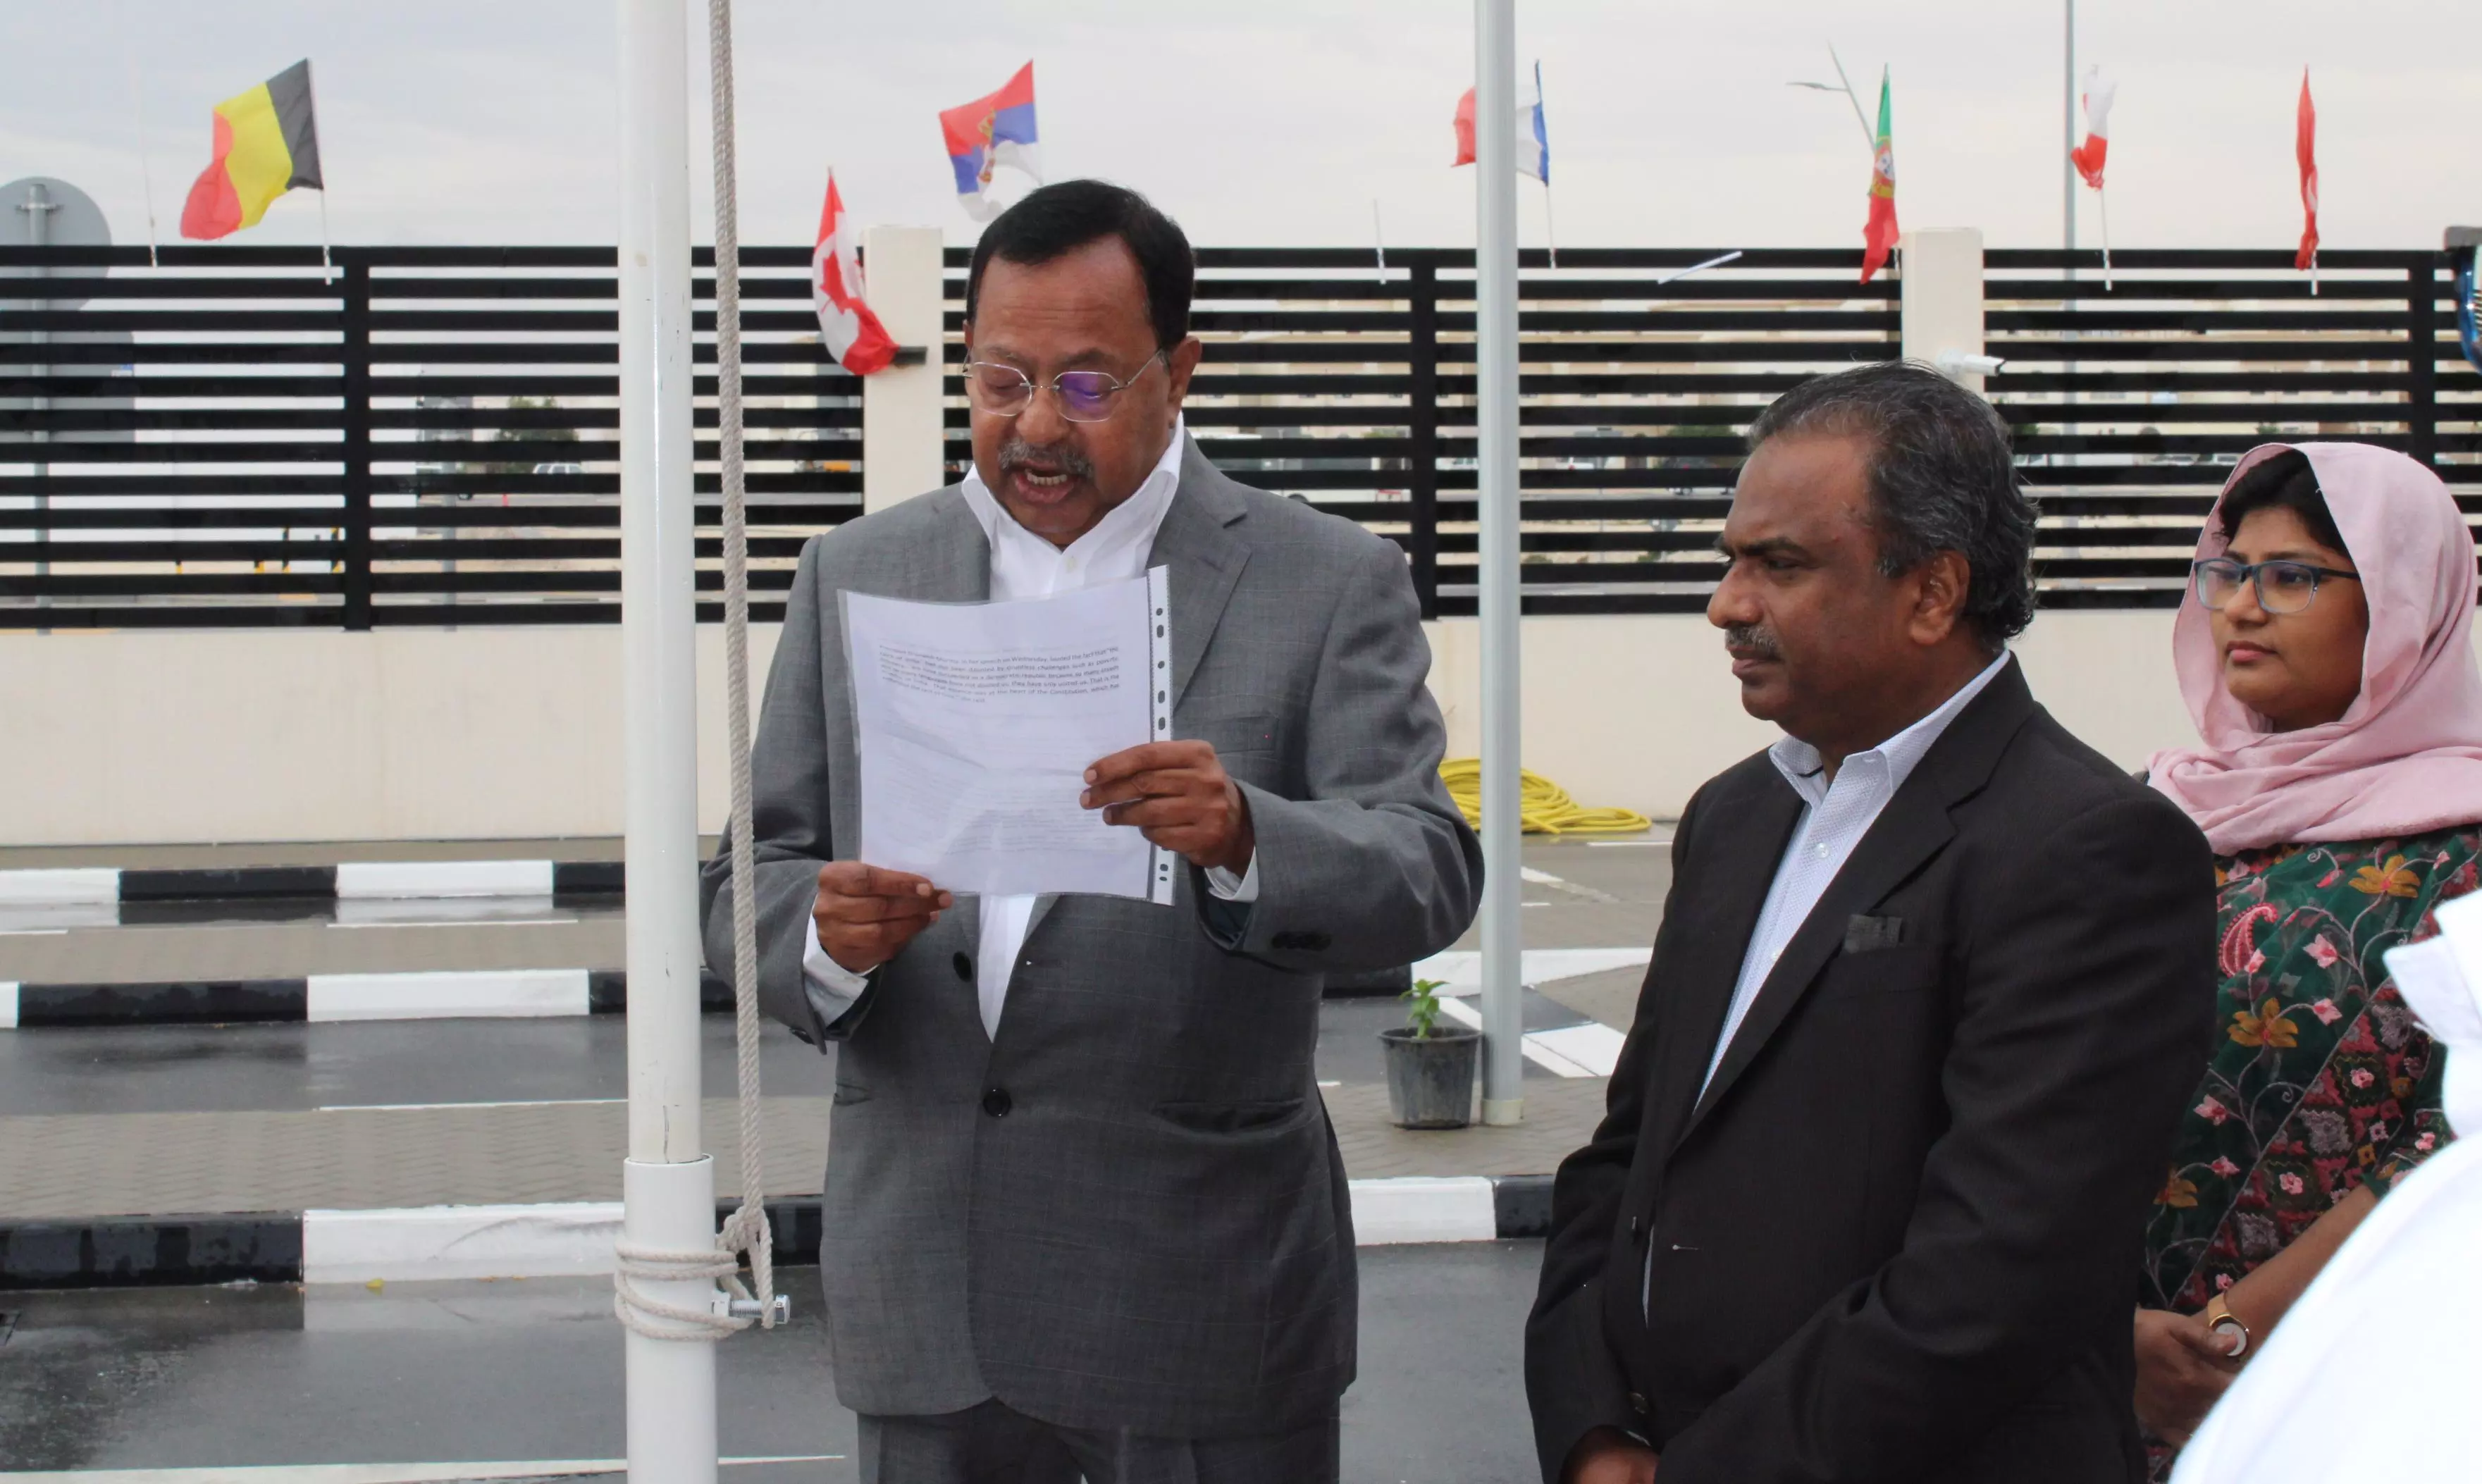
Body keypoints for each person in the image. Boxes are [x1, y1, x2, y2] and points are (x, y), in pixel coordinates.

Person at [701, 180, 1481, 1484]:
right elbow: (748, 880)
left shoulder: (1326, 580)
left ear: (1180, 370)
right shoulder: (857, 572)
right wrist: (826, 938)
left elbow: (1427, 864)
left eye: (1085, 385)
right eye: (1001, 379)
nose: (1034, 426)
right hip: (928, 1290)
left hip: (1201, 1295)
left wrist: (1248, 838)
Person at [1526, 360, 2218, 1484]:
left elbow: (1996, 1275)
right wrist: (1592, 1431)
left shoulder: (2088, 848)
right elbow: (1627, 1157)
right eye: (1730, 561)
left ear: (1932, 591)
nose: (1727, 604)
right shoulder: (1733, 816)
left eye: (1780, 565)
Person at [2134, 444, 2476, 1470]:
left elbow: (2454, 1138)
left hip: (2336, 1378)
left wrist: (2224, 1335)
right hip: (2080, 1358)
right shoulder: (2150, 811)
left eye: (2292, 577)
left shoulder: (2465, 845)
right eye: (2228, 572)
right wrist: (2099, 1331)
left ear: (2402, 609)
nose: (2241, 607)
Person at [2166, 892, 2482, 1484]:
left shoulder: (2457, 873)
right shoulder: (2174, 833)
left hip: (2263, 1362)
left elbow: (2446, 1150)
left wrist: (2210, 1344)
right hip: (2079, 1328)